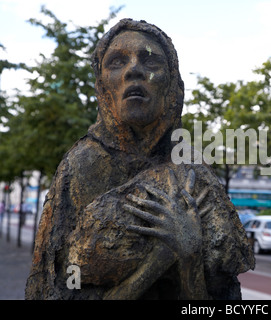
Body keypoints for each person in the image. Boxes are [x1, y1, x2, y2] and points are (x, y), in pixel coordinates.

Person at [25, 19, 254, 300]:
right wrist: (158, 260)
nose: (134, 70)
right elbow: (65, 287)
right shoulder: (81, 167)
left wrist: (190, 257)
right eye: (117, 62)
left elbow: (222, 296)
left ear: (172, 85)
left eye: (151, 61)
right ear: (102, 86)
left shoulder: (193, 171)